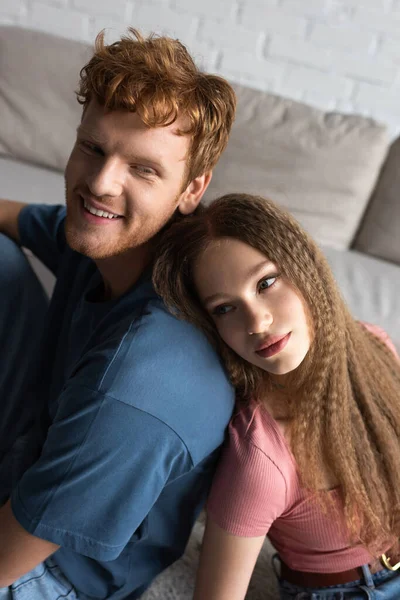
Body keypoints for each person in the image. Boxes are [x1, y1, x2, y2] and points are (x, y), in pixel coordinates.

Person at [0, 29, 236, 599]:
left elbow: (4, 562)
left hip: (54, 571)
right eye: (94, 148)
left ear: (191, 189)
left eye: (144, 170)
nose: (101, 184)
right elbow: (21, 218)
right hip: (36, 440)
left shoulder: (140, 383)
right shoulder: (113, 238)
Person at [153, 193, 400, 600]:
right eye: (225, 309)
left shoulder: (374, 343)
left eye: (266, 283)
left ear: (304, 267)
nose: (258, 321)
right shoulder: (261, 458)